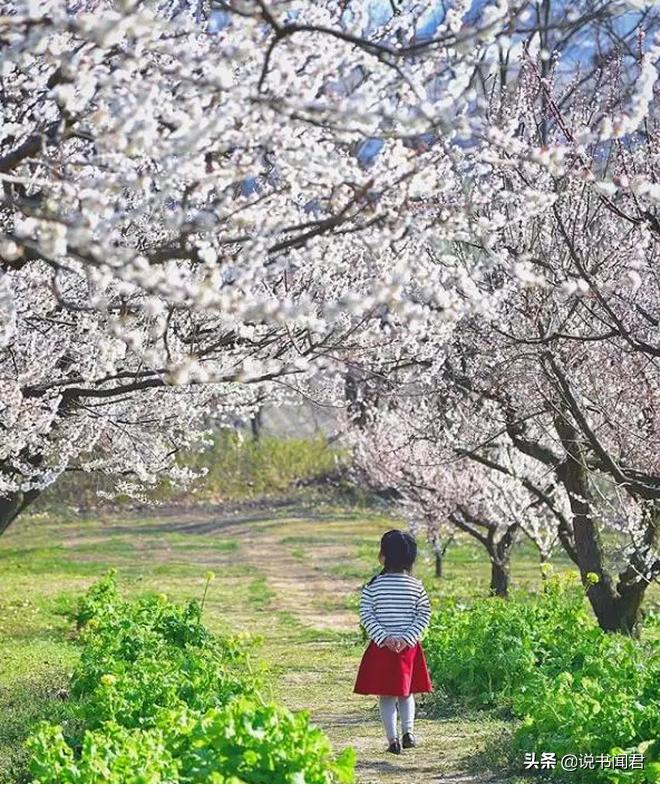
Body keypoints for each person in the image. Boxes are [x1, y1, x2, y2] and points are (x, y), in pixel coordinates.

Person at [353, 529, 433, 754]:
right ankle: (409, 733)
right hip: (408, 649)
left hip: (382, 649)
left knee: (386, 697)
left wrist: (384, 638)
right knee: (406, 694)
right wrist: (407, 638)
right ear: (411, 559)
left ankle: (393, 741)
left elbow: (366, 615)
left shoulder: (373, 586)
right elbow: (424, 614)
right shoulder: (416, 586)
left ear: (383, 555)